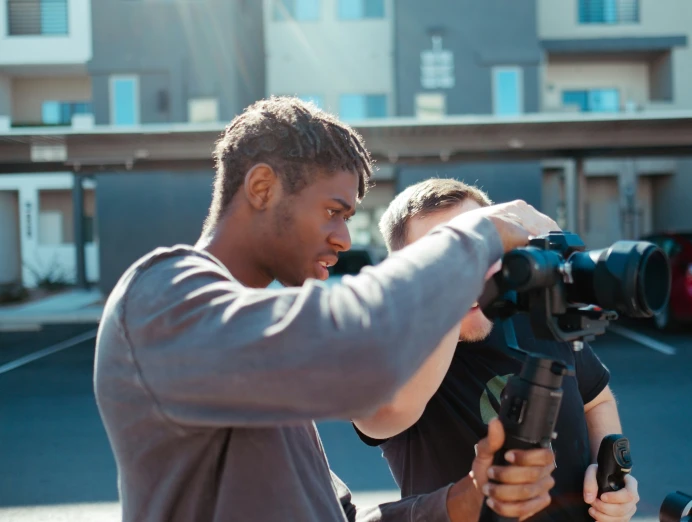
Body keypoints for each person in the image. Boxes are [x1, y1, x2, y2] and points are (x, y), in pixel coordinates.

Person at [92, 97, 558, 522]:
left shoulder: (256, 340)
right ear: (261, 187)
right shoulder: (161, 300)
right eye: (333, 211)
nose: (344, 238)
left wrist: (467, 497)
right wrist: (475, 238)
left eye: (349, 217)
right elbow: (365, 349)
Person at [351, 178, 640, 522]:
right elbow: (380, 416)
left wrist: (610, 476)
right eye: (449, 255)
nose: (471, 273)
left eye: (482, 250)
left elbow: (598, 399)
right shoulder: (397, 352)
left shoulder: (533, 316)